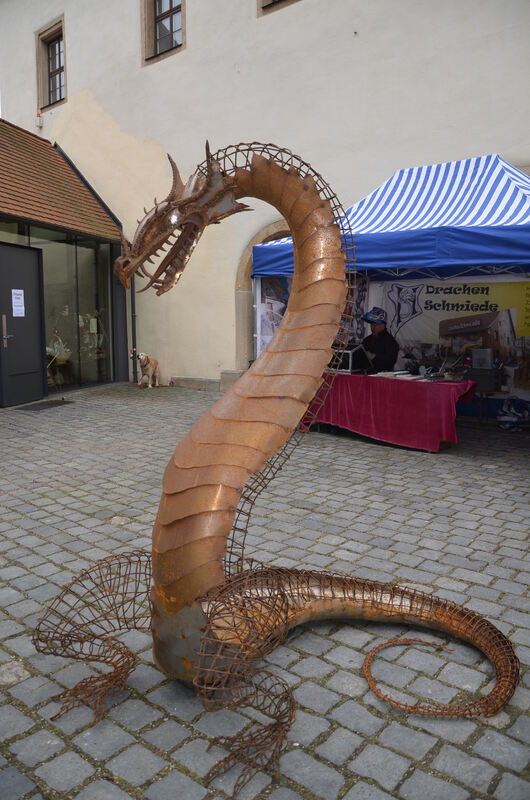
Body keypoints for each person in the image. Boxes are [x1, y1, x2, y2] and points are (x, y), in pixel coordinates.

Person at [362, 307, 399, 373]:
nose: (372, 327)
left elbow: (390, 362)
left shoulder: (391, 342)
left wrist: (375, 357)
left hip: (382, 377)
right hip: (365, 375)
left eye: (375, 324)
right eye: (371, 324)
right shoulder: (366, 340)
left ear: (383, 325)